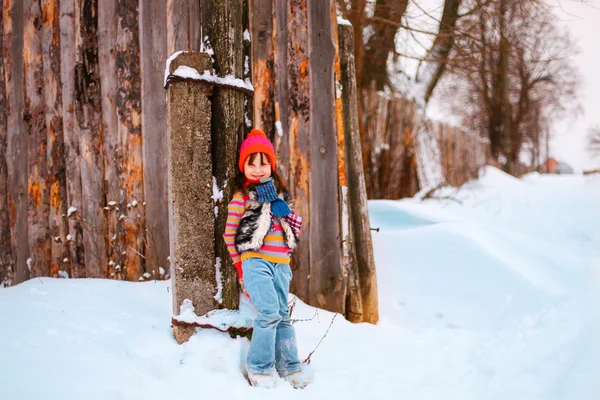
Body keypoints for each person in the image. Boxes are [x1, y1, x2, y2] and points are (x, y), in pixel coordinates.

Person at [223, 129, 311, 389]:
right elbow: (230, 235)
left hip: (281, 266)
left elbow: (289, 232)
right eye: (252, 163)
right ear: (244, 167)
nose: (258, 169)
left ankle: (290, 366)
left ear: (271, 165)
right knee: (269, 311)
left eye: (263, 162)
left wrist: (285, 254)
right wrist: (240, 266)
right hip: (255, 262)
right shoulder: (242, 198)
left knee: (283, 314)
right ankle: (259, 367)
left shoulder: (280, 199)